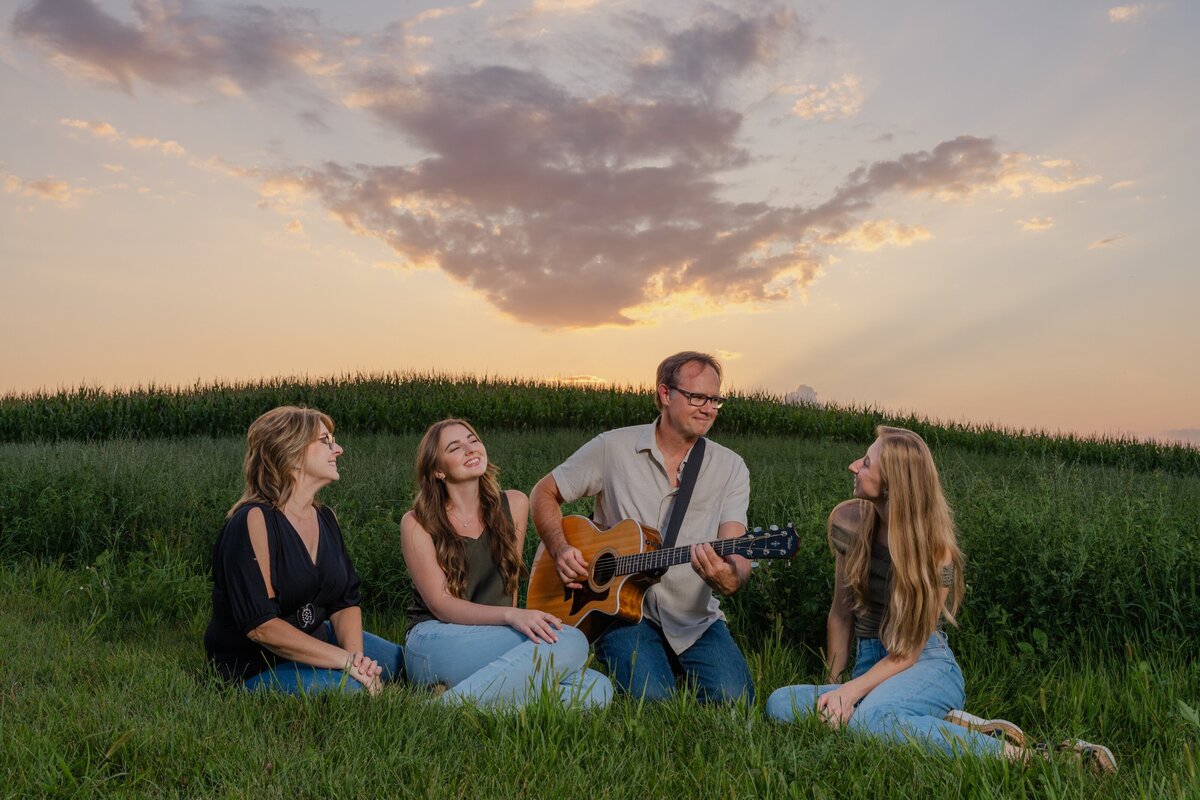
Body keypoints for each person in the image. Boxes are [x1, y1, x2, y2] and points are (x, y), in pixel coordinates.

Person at [765, 426, 1116, 772]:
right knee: (780, 704)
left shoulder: (939, 556)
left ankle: (1036, 758)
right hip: (868, 665)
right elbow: (841, 614)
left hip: (924, 663)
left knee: (869, 722)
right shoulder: (847, 521)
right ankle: (943, 723)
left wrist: (853, 695)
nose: (854, 466)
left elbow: (909, 651)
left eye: (867, 463)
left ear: (893, 484)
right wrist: (839, 686)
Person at [530, 351, 754, 705]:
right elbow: (544, 492)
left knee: (735, 699)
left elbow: (736, 548)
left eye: (715, 399)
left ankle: (675, 661)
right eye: (697, 397)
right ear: (665, 394)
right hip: (620, 613)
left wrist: (732, 576)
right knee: (652, 701)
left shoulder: (731, 468)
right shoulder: (613, 447)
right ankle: (636, 659)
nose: (708, 408)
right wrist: (559, 549)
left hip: (693, 619)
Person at [401, 418, 612, 708]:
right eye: (455, 447)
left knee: (597, 690)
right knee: (571, 641)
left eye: (473, 440)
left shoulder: (514, 504)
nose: (470, 449)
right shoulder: (417, 522)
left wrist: (511, 617)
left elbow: (508, 585)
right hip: (435, 640)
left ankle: (455, 700)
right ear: (438, 470)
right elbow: (441, 604)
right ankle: (446, 709)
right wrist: (512, 617)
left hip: (492, 638)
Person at [204, 406, 403, 694]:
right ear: (291, 451)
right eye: (325, 441)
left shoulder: (326, 518)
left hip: (320, 638)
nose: (339, 449)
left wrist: (357, 662)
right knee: (350, 691)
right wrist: (346, 663)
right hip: (258, 665)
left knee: (408, 663)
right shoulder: (253, 520)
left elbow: (344, 602)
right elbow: (261, 626)